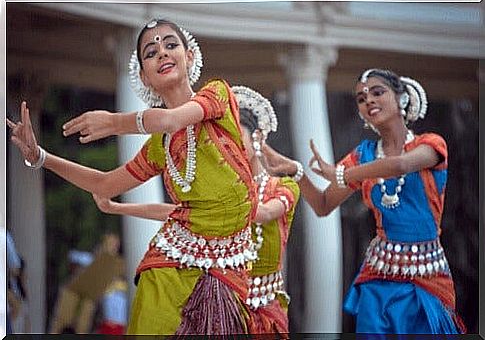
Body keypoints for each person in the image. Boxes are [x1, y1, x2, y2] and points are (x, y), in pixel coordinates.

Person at [7, 18, 259, 335]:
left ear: (190, 56)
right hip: (170, 265)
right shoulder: (160, 148)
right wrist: (40, 157)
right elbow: (105, 184)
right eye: (151, 52)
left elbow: (172, 119)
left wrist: (115, 123)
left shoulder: (218, 94)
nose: (163, 54)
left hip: (230, 267)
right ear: (144, 76)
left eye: (170, 45)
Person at [261, 68, 465, 334]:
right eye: (360, 98)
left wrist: (343, 174)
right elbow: (323, 205)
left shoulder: (430, 144)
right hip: (378, 276)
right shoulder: (363, 155)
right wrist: (296, 171)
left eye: (378, 92)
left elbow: (401, 165)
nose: (368, 100)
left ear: (402, 98)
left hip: (427, 278)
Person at [91, 86, 301, 335]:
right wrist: (117, 207)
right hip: (227, 292)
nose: (229, 145)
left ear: (257, 138)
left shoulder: (284, 187)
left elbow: (264, 213)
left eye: (236, 136)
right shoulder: (217, 193)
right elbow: (175, 213)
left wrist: (217, 207)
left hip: (264, 307)